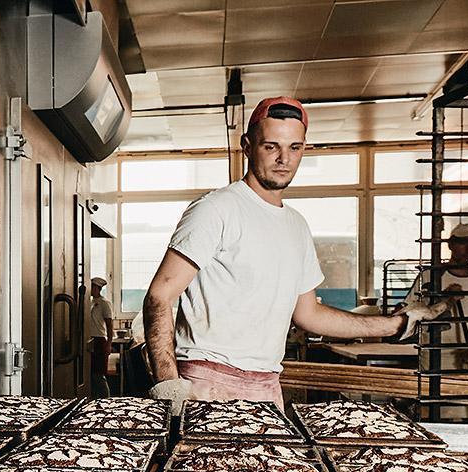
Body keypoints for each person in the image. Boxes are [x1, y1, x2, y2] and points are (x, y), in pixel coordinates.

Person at [141, 96, 445, 406]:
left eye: (294, 148)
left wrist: (394, 324)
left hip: (266, 384)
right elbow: (159, 295)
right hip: (209, 380)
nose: (283, 159)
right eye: (271, 146)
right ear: (247, 146)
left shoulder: (296, 226)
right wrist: (170, 386)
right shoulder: (217, 209)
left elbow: (309, 314)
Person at [409, 222, 468, 370]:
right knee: (433, 392)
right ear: (451, 245)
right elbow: (409, 313)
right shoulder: (429, 276)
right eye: (463, 243)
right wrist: (444, 300)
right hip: (433, 354)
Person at [86, 277, 116, 397]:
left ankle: (105, 399)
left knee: (98, 374)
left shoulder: (104, 303)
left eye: (92, 286)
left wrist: (109, 344)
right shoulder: (90, 302)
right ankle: (94, 398)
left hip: (100, 340)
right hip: (90, 339)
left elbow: (109, 325)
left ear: (97, 288)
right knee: (91, 373)